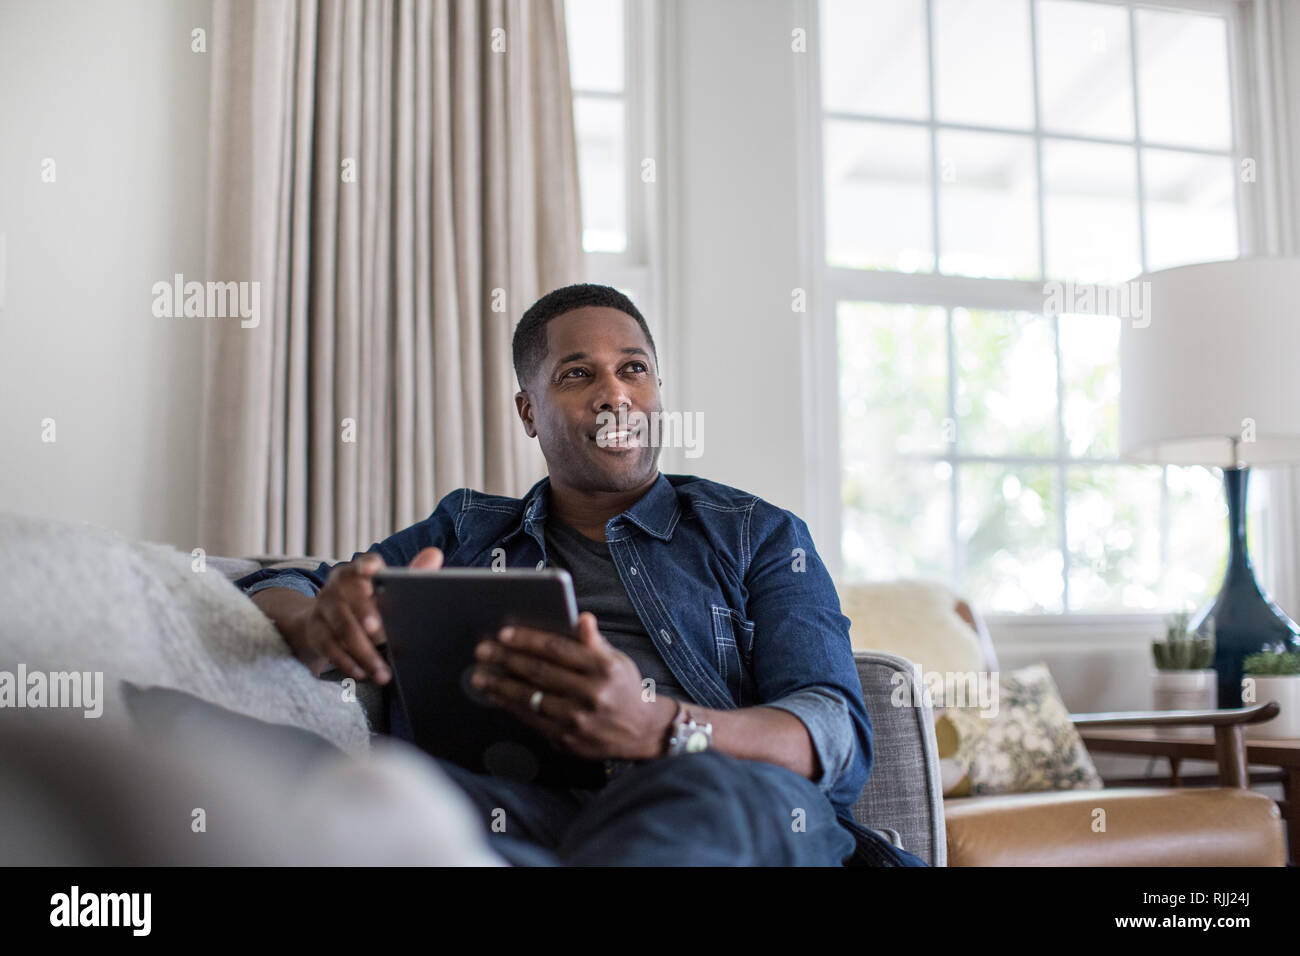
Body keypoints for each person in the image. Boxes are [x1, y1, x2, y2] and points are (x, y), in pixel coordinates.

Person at [236, 283, 926, 866]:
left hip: (722, 799)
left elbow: (833, 732)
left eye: (634, 369)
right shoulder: (466, 531)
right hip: (530, 814)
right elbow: (285, 587)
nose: (614, 395)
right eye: (577, 374)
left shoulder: (757, 533)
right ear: (528, 411)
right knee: (363, 790)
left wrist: (658, 727)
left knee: (703, 797)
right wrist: (320, 619)